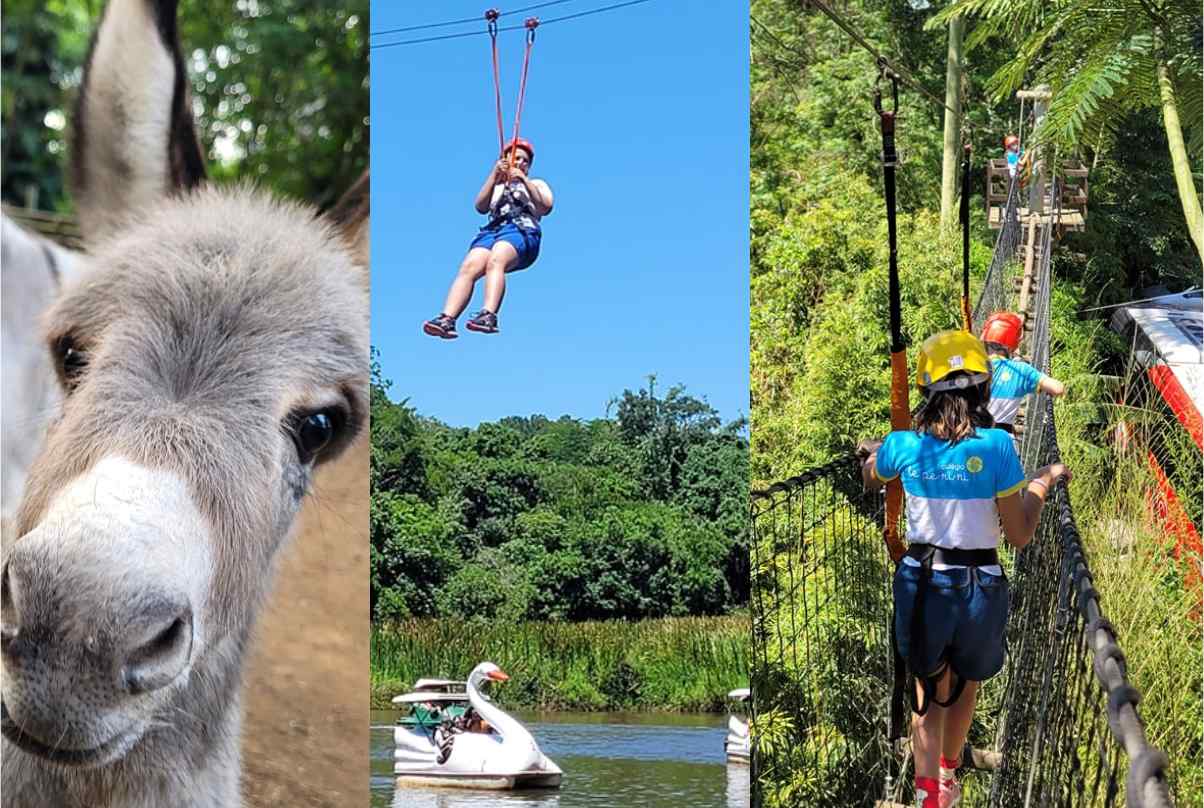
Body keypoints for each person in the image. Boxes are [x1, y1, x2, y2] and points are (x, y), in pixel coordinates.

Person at [858, 330, 1071, 808]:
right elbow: (1018, 534)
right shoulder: (997, 445)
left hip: (922, 581)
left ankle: (928, 794)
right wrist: (1043, 481)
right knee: (965, 684)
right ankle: (949, 775)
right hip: (980, 586)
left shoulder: (903, 444)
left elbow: (873, 477)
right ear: (982, 388)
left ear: (925, 390)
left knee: (927, 695)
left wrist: (874, 454)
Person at [423, 137, 554, 338]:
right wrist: (494, 176)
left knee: (497, 258)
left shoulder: (536, 184)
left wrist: (523, 180)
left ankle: (489, 314)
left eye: (524, 160)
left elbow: (545, 207)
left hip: (521, 230)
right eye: (515, 159)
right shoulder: (497, 186)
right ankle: (447, 318)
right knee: (469, 266)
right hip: (493, 230)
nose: (520, 163)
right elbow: (480, 206)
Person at [980, 312, 1065, 435]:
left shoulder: (972, 366)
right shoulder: (1021, 370)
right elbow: (1058, 389)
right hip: (1003, 440)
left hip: (970, 438)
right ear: (1013, 343)